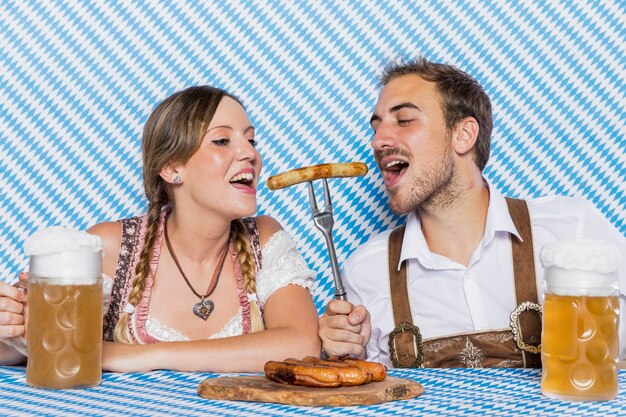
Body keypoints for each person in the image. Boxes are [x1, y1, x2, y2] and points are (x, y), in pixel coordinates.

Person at [319, 57, 626, 368]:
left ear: (464, 135)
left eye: (404, 120)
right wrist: (348, 356)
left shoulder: (571, 229)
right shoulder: (365, 272)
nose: (378, 140)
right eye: (376, 126)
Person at [0, 85, 320, 372]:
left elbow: (301, 345)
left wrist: (134, 356)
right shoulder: (111, 246)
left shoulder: (263, 237)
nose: (251, 153)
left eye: (251, 140)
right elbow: (40, 344)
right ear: (171, 168)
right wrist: (13, 327)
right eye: (222, 140)